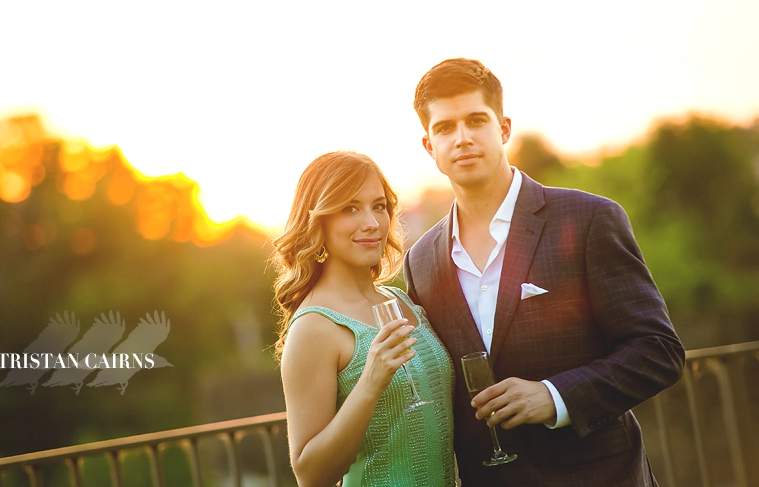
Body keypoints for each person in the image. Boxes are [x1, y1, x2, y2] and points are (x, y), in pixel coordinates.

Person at [403, 58, 686, 486]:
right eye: (445, 128)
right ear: (429, 145)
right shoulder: (420, 260)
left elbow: (658, 351)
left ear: (503, 128)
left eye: (476, 120)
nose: (462, 138)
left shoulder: (590, 218)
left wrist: (554, 396)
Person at [272, 151, 456, 487]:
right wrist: (370, 382)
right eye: (349, 208)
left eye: (379, 206)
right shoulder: (314, 327)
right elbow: (310, 475)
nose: (371, 222)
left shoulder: (402, 302)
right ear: (318, 221)